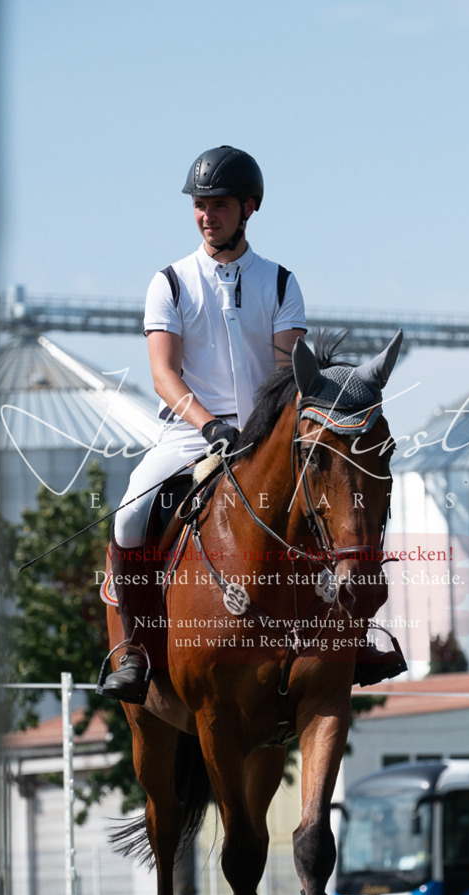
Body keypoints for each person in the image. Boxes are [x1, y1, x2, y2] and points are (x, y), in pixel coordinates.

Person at [101, 145, 308, 703]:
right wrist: (210, 424)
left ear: (249, 207)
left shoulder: (281, 283)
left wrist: (264, 427)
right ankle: (138, 651)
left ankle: (351, 640)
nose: (206, 215)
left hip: (265, 434)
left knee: (331, 504)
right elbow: (163, 375)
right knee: (128, 517)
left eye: (219, 204)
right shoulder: (169, 282)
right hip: (189, 434)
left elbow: (286, 370)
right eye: (199, 204)